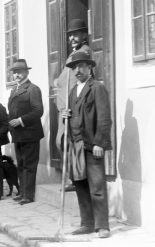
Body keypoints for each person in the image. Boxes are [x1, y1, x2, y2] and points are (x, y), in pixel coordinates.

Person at [61, 51, 112, 239]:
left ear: (89, 68)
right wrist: (65, 117)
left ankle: (102, 225)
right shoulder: (72, 91)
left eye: (81, 66)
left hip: (92, 145)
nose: (77, 70)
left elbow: (105, 118)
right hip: (75, 144)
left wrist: (100, 142)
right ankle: (87, 223)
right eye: (74, 67)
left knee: (97, 186)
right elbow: (72, 118)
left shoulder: (97, 88)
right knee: (80, 184)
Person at [54, 18, 91, 193]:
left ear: (84, 35)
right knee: (62, 142)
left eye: (76, 34)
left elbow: (81, 81)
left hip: (72, 107)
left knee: (69, 142)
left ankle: (77, 179)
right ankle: (73, 177)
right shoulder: (74, 53)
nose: (72, 38)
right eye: (70, 35)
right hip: (64, 107)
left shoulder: (83, 53)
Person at [7, 59, 44, 205]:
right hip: (17, 134)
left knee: (29, 165)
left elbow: (38, 111)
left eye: (19, 72)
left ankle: (28, 195)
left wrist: (21, 120)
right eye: (15, 72)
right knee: (21, 164)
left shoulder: (33, 89)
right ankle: (22, 192)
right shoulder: (14, 90)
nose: (17, 75)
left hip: (30, 133)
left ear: (27, 72)